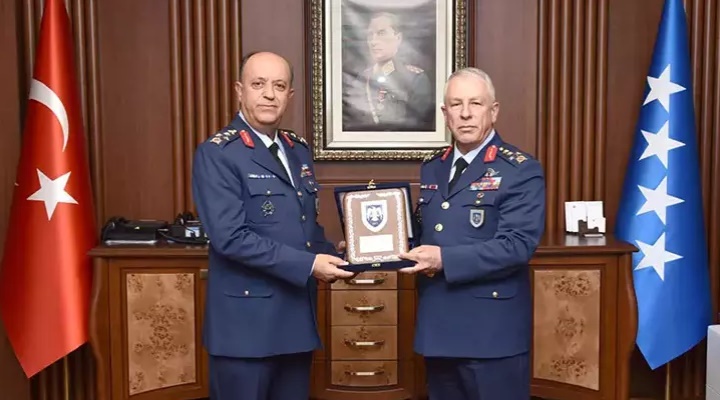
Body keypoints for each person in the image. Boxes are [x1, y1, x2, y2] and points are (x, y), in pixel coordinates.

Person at [191, 51, 355, 400]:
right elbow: (230, 238)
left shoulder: (297, 150)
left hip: (295, 320)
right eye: (258, 84)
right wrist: (311, 264)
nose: (269, 94)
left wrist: (339, 254)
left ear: (289, 95)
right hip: (245, 329)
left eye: (279, 86)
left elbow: (303, 227)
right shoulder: (218, 153)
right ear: (240, 91)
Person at [399, 67, 546, 399]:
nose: (465, 113)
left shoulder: (520, 169)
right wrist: (374, 247)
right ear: (445, 113)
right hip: (439, 329)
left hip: (491, 334)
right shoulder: (433, 166)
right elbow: (426, 234)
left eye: (475, 103)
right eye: (456, 104)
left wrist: (444, 259)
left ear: (493, 111)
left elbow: (517, 246)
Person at [342, 11, 434, 132]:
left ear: (398, 38)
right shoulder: (360, 79)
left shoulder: (415, 79)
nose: (373, 41)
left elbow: (419, 126)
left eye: (381, 33)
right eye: (370, 35)